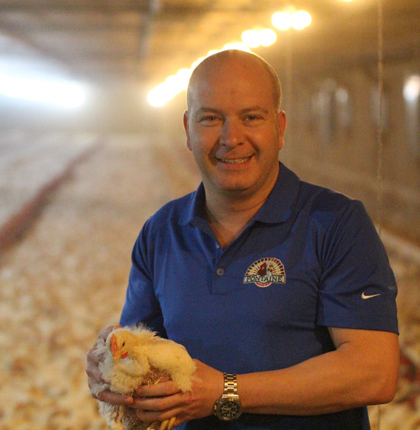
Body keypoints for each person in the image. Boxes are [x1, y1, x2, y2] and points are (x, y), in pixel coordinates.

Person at [86, 49, 399, 429]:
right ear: (187, 130)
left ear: (280, 128)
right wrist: (113, 368)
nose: (231, 138)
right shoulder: (162, 231)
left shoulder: (335, 223)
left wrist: (226, 392)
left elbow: (374, 373)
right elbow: (142, 351)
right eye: (211, 119)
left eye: (251, 117)